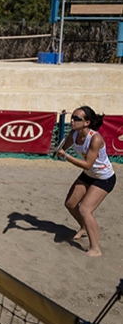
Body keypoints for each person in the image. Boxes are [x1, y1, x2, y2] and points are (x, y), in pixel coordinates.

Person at [55, 106, 116, 257]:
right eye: (72, 117)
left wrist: (65, 156)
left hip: (104, 177)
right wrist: (58, 151)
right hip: (89, 174)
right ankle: (84, 226)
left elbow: (88, 163)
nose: (72, 121)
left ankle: (95, 249)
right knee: (70, 204)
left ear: (87, 122)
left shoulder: (95, 139)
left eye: (76, 118)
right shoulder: (74, 134)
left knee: (85, 209)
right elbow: (63, 147)